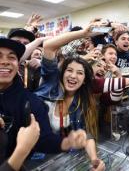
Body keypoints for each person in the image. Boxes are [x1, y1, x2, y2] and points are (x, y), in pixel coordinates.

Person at [0, 38, 105, 171]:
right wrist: (85, 33)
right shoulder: (48, 89)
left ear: (84, 80)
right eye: (69, 70)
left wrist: (93, 158)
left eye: (79, 73)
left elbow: (85, 133)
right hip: (29, 158)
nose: (73, 76)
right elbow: (49, 47)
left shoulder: (82, 103)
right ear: (62, 74)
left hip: (50, 157)